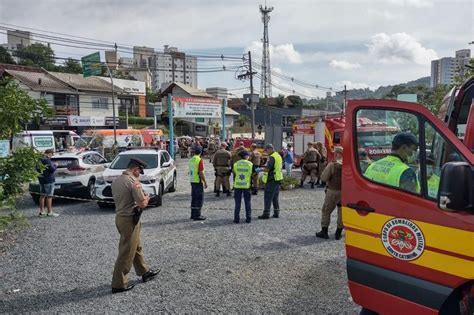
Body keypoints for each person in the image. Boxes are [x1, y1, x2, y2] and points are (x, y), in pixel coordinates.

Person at [111, 157, 159, 293]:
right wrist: (147, 198)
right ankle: (118, 283)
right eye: (139, 171)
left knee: (136, 246)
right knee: (126, 251)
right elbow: (142, 203)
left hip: (121, 217)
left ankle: (144, 271)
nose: (140, 174)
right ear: (135, 169)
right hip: (129, 219)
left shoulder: (116, 180)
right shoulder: (133, 182)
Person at [316, 146, 344, 240]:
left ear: (336, 153)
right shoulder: (347, 164)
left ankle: (324, 231)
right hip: (344, 192)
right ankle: (338, 233)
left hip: (332, 190)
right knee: (342, 213)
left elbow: (324, 177)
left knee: (326, 211)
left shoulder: (333, 164)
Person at [258, 144, 283, 219]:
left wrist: (260, 169)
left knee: (268, 197)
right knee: (275, 197)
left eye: (266, 150)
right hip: (278, 179)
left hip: (272, 179)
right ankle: (276, 213)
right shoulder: (278, 155)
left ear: (270, 149)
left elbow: (268, 169)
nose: (266, 152)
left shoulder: (272, 157)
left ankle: (266, 214)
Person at [232, 150, 253, 223]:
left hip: (237, 185)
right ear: (245, 156)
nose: (249, 157)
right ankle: (248, 218)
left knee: (237, 203)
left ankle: (236, 219)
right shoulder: (250, 164)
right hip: (246, 185)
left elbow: (235, 172)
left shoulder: (236, 164)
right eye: (248, 156)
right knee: (247, 202)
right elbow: (251, 173)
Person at [38, 149, 59, 217]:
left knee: (42, 196)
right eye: (52, 154)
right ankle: (50, 212)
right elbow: (52, 169)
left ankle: (42, 212)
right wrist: (55, 165)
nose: (52, 156)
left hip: (41, 180)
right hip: (49, 180)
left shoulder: (39, 160)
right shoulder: (47, 160)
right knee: (49, 196)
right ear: (49, 153)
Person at [189, 146, 207, 220]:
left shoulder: (191, 159)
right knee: (199, 198)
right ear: (201, 152)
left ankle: (193, 214)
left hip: (192, 180)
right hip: (198, 181)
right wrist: (205, 181)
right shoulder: (199, 160)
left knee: (194, 198)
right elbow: (200, 172)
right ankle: (197, 215)